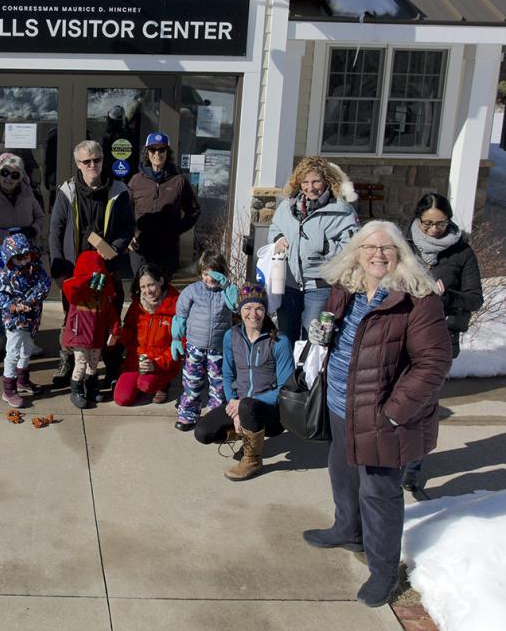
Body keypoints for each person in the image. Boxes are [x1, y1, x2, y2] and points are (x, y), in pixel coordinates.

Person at [302, 221, 451, 609]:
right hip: (340, 404)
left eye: (387, 248)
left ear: (400, 253)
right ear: (357, 252)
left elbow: (434, 362)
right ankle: (347, 529)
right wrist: (322, 333)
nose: (377, 254)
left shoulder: (416, 299)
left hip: (382, 415)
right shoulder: (348, 286)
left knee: (380, 494)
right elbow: (334, 327)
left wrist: (394, 413)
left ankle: (383, 572)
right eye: (369, 247)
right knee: (342, 471)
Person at [402, 192, 482, 491]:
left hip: (440, 337)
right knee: (399, 402)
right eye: (427, 224)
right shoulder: (403, 246)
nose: (434, 230)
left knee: (422, 404)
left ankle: (412, 466)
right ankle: (394, 458)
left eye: (441, 224)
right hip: (402, 334)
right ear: (417, 219)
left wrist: (446, 297)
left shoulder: (462, 252)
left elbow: (475, 299)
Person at [49, 139, 134, 391]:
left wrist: (113, 248)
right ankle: (67, 362)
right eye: (86, 161)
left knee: (109, 318)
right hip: (76, 273)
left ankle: (110, 365)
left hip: (106, 270)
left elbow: (127, 228)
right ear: (78, 164)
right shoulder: (67, 191)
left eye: (96, 159)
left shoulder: (119, 190)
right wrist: (58, 267)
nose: (92, 165)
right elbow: (56, 230)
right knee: (72, 319)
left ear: (102, 160)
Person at [195, 282, 294, 481]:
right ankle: (246, 433)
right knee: (203, 432)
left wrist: (242, 407)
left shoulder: (279, 341)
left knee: (248, 404)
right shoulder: (231, 336)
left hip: (271, 411)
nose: (253, 314)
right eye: (247, 308)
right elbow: (228, 375)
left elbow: (285, 388)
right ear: (240, 310)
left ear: (266, 311)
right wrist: (234, 404)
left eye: (259, 308)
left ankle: (252, 459)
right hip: (241, 404)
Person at [269, 156, 359, 340]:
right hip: (289, 283)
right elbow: (275, 228)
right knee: (285, 336)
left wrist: (325, 247)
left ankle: (306, 370)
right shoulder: (288, 206)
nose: (310, 188)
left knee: (313, 339)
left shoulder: (342, 210)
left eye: (316, 181)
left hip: (320, 286)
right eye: (305, 182)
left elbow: (353, 247)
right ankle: (288, 369)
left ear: (327, 181)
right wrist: (278, 239)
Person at [0, 152, 44, 363]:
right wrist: (11, 237)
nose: (9, 178)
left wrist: (33, 230)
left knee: (25, 302)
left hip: (24, 262)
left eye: (14, 175)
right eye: (5, 173)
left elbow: (40, 217)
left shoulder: (26, 192)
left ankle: (24, 341)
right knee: (0, 302)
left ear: (20, 176)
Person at [170, 250, 234, 431]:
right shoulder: (192, 291)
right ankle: (188, 414)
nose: (209, 278)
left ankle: (215, 418)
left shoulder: (226, 292)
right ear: (200, 273)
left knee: (219, 385)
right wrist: (176, 338)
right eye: (205, 273)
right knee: (191, 382)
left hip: (218, 348)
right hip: (195, 347)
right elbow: (180, 316)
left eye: (214, 273)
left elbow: (236, 306)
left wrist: (227, 286)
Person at [0, 232, 51, 408]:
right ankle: (8, 389)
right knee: (13, 351)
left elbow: (45, 283)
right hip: (15, 318)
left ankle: (23, 380)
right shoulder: (7, 274)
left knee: (28, 348)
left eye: (26, 256)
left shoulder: (36, 268)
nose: (24, 261)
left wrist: (32, 299)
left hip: (32, 316)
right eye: (18, 258)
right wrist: (13, 306)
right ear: (10, 259)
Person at [127, 132, 200, 280]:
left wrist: (175, 229)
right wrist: (130, 234)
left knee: (163, 290)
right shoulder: (136, 180)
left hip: (167, 248)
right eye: (153, 150)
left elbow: (194, 210)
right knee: (141, 289)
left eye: (162, 150)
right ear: (147, 152)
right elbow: (124, 211)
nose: (157, 154)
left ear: (168, 152)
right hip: (140, 247)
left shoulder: (179, 181)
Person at [60, 250, 123, 409]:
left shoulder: (103, 298)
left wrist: (115, 331)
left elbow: (112, 315)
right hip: (80, 336)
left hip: (96, 338)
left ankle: (91, 388)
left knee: (93, 364)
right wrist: (88, 277)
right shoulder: (77, 293)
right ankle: (76, 391)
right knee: (80, 363)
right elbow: (68, 286)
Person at [114, 263, 179, 406]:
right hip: (136, 360)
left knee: (146, 385)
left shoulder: (177, 306)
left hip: (161, 363)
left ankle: (163, 384)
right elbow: (129, 332)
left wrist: (156, 364)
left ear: (161, 281)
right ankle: (137, 380)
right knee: (122, 399)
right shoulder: (137, 305)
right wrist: (119, 334)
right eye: (143, 287)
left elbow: (180, 344)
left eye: (151, 285)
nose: (147, 291)